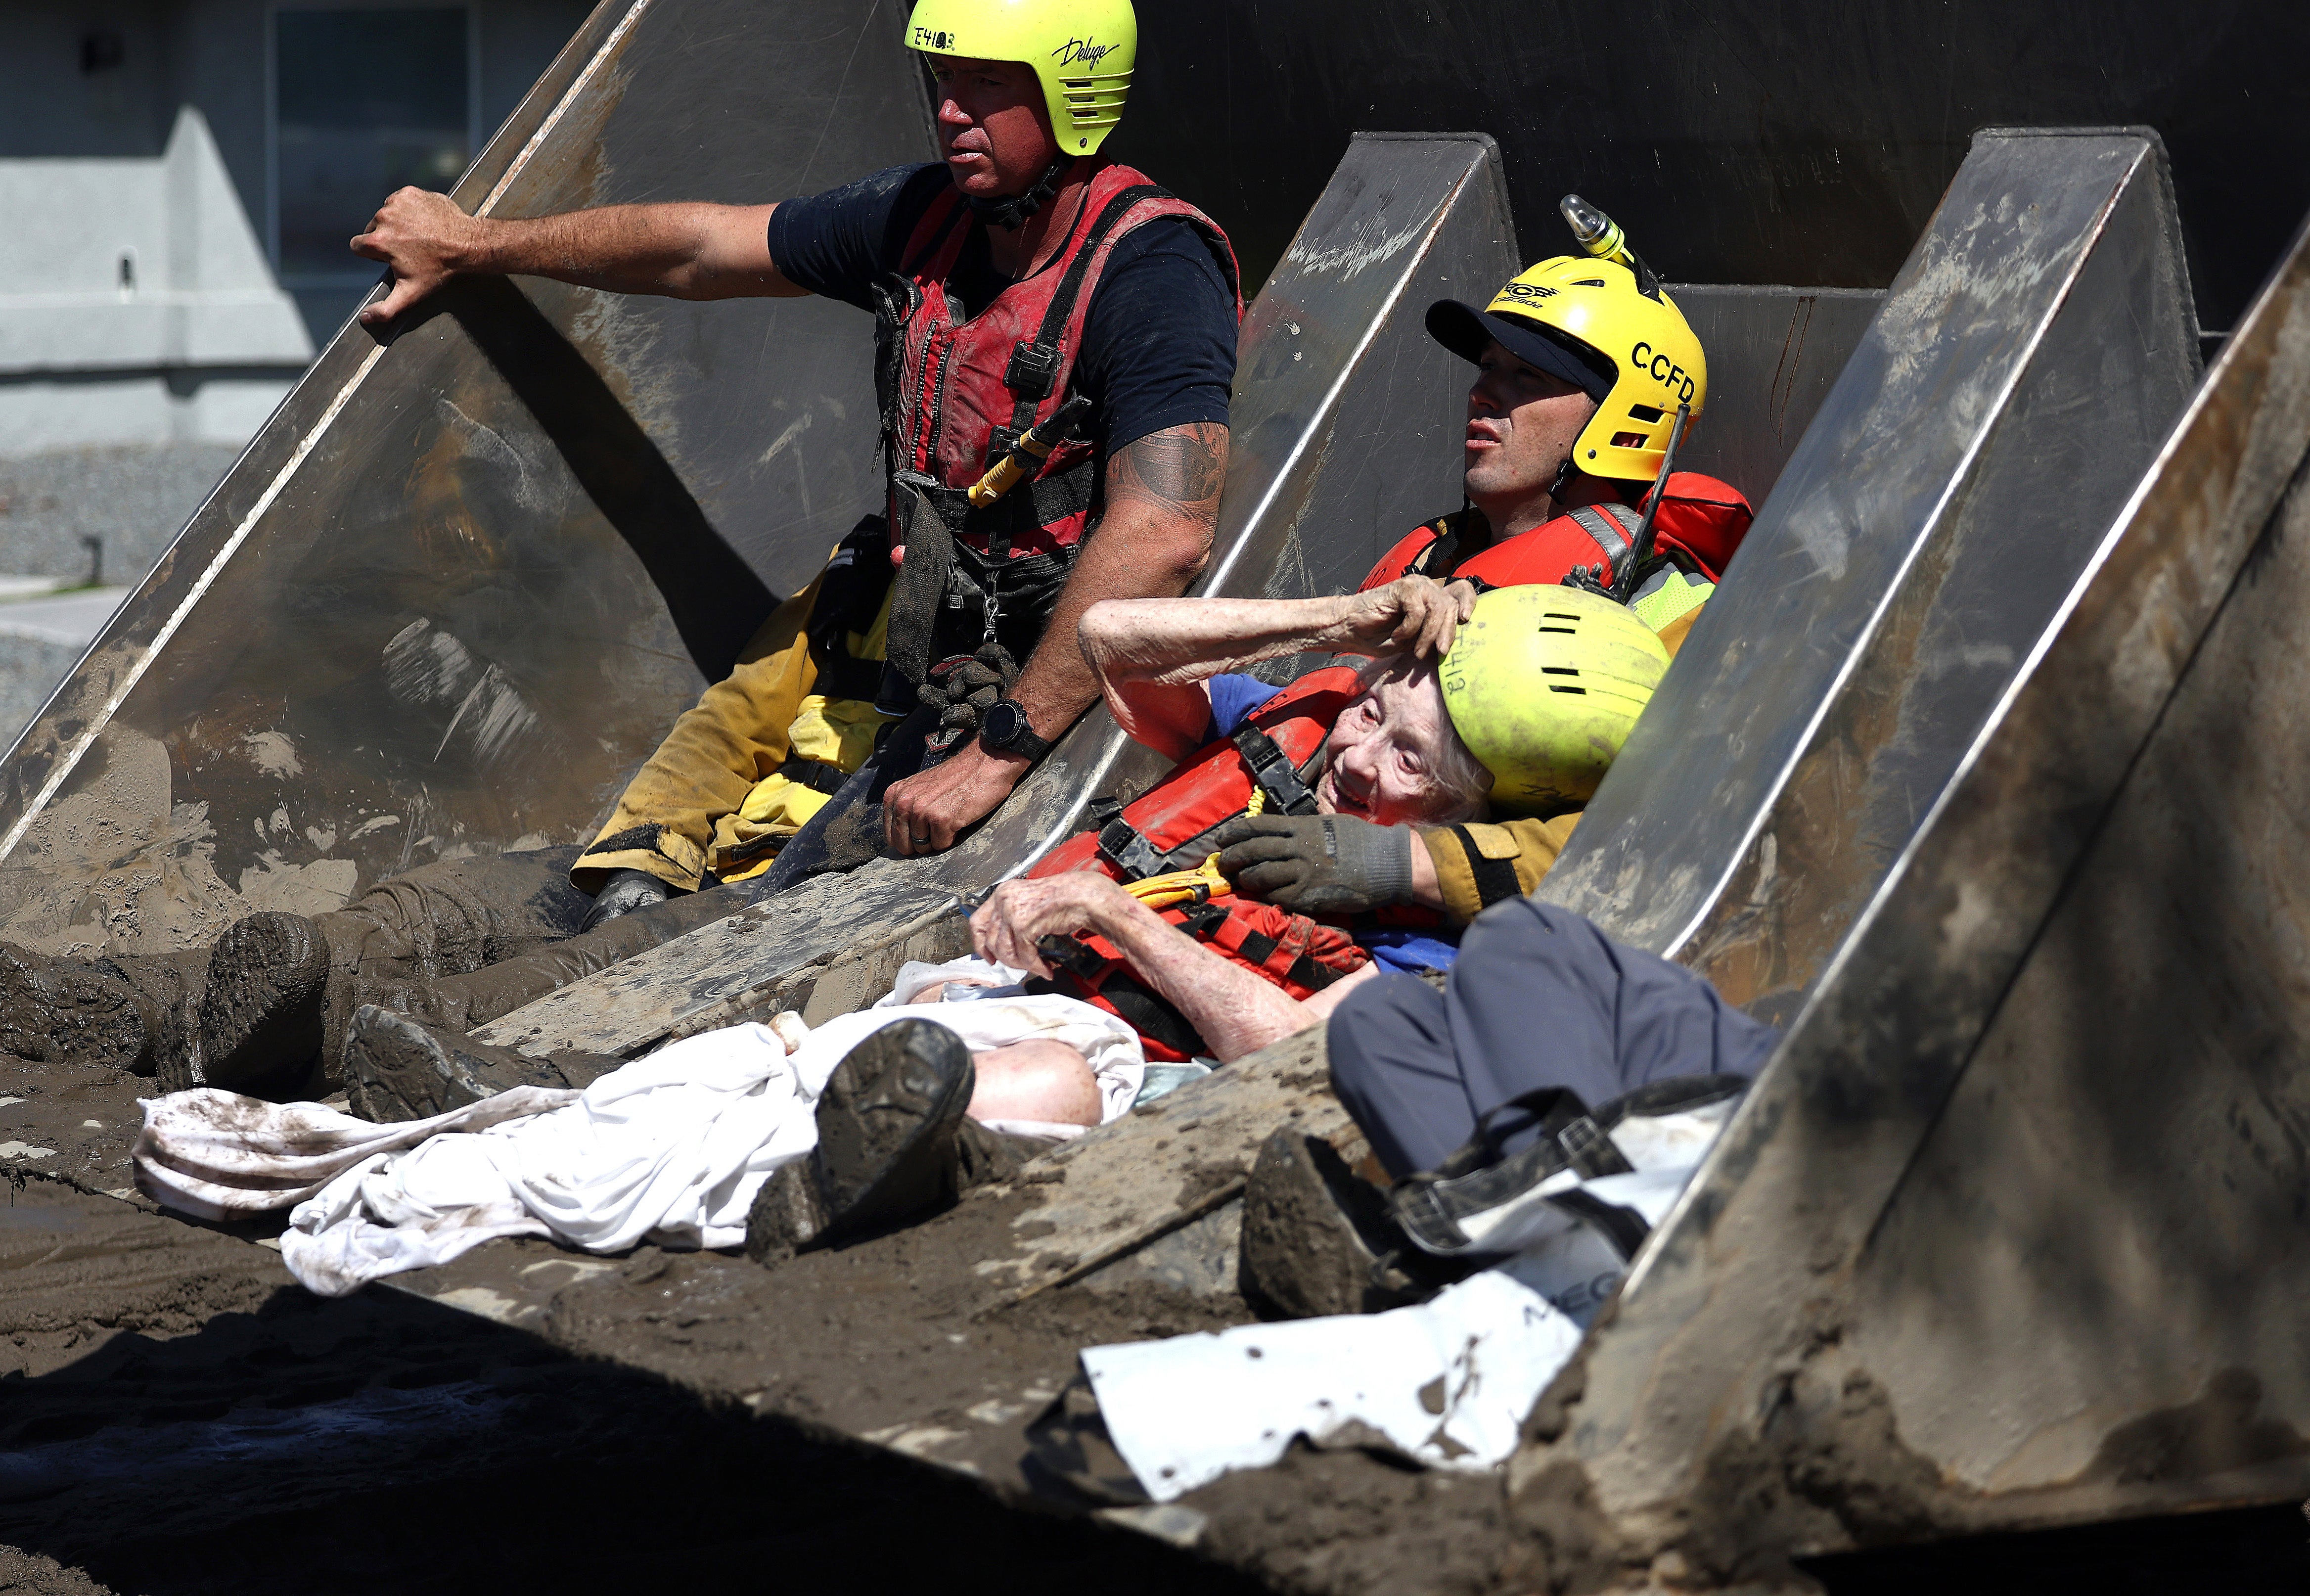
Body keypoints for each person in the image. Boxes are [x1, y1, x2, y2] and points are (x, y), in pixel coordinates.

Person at [0, 0, 1243, 1100]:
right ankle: (144, 997)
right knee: (591, 870)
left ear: (1072, 91)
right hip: (889, 679)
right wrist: (481, 243)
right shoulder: (924, 223)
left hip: (1029, 726)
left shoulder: (1151, 268)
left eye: (989, 87)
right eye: (943, 79)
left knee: (734, 919)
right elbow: (700, 248)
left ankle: (390, 1045)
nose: (953, 111)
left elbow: (1165, 527)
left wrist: (997, 754)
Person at [726, 577, 1675, 1256]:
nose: (1358, 758)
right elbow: (1109, 633)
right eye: (1373, 713)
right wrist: (1342, 621)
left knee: (1029, 1084)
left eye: (1412, 763)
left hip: (1131, 1083)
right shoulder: (1301, 730)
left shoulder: (1439, 943)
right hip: (991, 996)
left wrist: (1114, 911)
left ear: (1481, 812)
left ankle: (833, 1170)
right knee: (735, 1087)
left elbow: (1293, 1051)